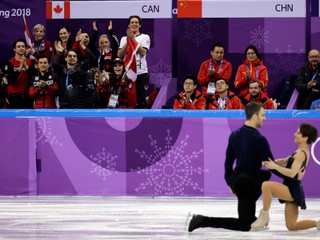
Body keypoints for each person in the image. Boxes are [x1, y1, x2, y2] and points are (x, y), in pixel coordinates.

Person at [188, 102, 273, 232]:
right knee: (244, 225)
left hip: (236, 179)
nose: (265, 118)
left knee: (263, 175)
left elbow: (228, 162)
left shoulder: (235, 134)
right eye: (263, 115)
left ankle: (250, 216)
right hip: (246, 183)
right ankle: (202, 220)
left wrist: (230, 183)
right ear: (255, 116)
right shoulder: (260, 139)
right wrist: (291, 176)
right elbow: (271, 165)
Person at [251, 123, 319, 231]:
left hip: (292, 188)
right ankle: (318, 223)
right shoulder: (298, 152)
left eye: (298, 133)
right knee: (292, 226)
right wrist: (266, 163)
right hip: (292, 187)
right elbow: (283, 161)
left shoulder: (302, 154)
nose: (294, 134)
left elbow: (292, 173)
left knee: (266, 185)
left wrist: (273, 166)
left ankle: (264, 216)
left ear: (305, 138)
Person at [118, 15, 150, 109]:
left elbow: (143, 52)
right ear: (129, 25)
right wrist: (128, 42)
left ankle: (143, 123)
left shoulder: (145, 37)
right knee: (128, 100)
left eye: (136, 22)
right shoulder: (124, 39)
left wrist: (132, 39)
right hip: (129, 74)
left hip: (141, 73)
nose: (134, 24)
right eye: (132, 22)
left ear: (140, 25)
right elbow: (119, 55)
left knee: (141, 102)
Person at [53, 39, 95, 108]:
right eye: (69, 56)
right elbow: (55, 64)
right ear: (66, 58)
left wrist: (84, 48)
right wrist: (60, 52)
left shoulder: (81, 68)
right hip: (63, 101)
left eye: (74, 56)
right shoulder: (61, 69)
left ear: (77, 59)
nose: (72, 58)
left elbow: (92, 59)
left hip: (77, 101)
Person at [3, 39, 35, 109]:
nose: (21, 48)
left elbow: (33, 77)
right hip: (14, 98)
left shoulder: (31, 62)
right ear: (14, 49)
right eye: (19, 46)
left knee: (28, 119)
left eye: (23, 46)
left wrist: (26, 67)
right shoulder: (10, 63)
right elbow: (10, 80)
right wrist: (19, 69)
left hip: (27, 97)